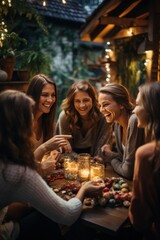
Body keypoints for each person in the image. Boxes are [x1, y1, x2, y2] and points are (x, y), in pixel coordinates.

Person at [0, 89, 105, 240]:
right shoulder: (19, 173)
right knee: (49, 220)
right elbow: (67, 215)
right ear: (23, 125)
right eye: (31, 116)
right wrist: (84, 190)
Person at [129, 81, 160, 240]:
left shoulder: (148, 153)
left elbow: (139, 219)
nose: (133, 110)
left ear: (151, 109)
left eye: (138, 104)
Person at [98, 83, 144, 180]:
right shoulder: (117, 124)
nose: (102, 110)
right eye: (100, 105)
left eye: (105, 104)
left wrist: (111, 159)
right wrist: (110, 154)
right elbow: (124, 159)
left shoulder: (134, 120)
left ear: (121, 104)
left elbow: (127, 171)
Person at [56, 80, 112, 157]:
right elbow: (66, 150)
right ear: (72, 102)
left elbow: (101, 147)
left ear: (93, 99)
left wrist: (95, 160)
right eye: (77, 101)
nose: (82, 105)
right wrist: (83, 160)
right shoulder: (65, 116)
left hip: (95, 162)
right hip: (69, 161)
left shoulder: (102, 116)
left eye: (86, 100)